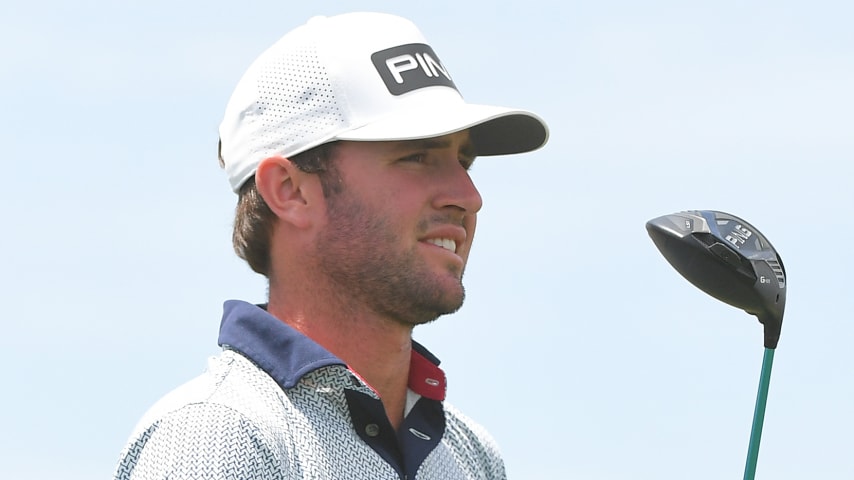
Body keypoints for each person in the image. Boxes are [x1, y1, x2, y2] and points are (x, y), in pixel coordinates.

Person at [113, 11, 548, 480]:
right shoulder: (215, 436)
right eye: (416, 155)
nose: (468, 196)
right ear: (290, 190)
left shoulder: (471, 455)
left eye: (464, 160)